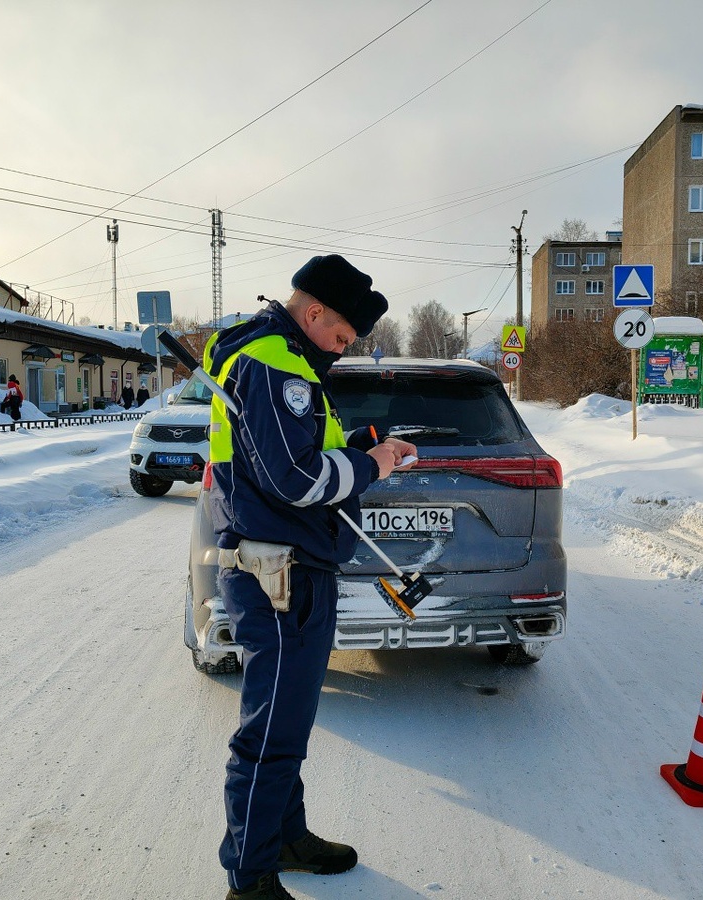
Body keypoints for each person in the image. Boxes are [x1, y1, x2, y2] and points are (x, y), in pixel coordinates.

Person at [206, 254, 415, 900]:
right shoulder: (275, 364)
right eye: (341, 336)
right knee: (270, 732)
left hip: (296, 567)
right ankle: (249, 878)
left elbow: (301, 457)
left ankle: (284, 837)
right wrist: (373, 466)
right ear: (315, 311)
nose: (341, 349)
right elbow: (296, 480)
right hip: (279, 575)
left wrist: (364, 449)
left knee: (288, 722)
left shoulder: (288, 361)